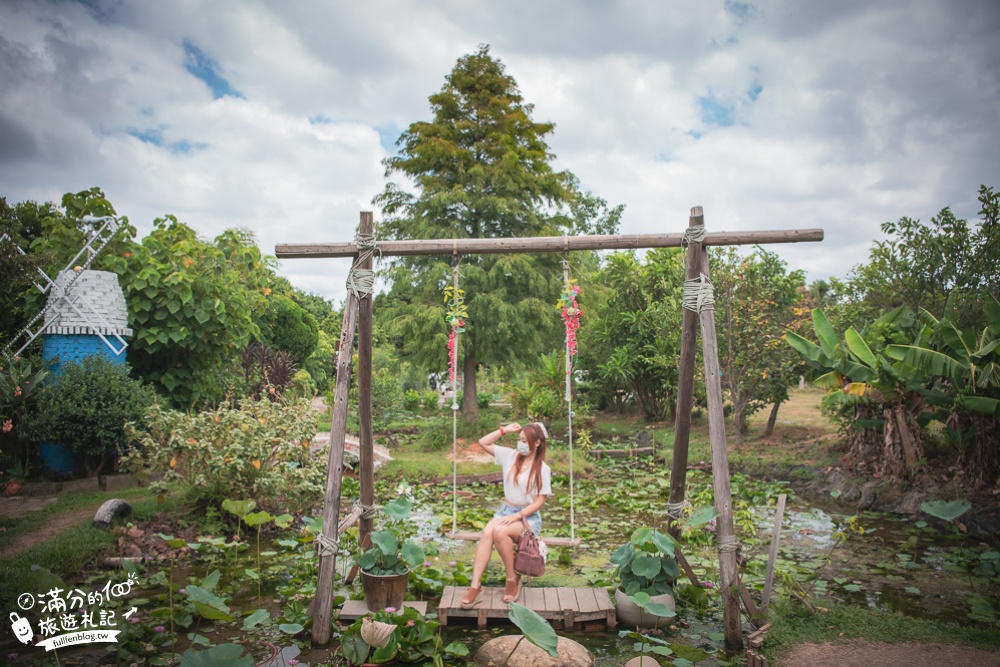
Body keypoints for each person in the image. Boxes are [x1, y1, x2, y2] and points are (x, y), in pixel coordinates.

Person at [460, 421, 552, 608]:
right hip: (505, 510)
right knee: (487, 533)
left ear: (536, 443)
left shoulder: (543, 469)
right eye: (519, 439)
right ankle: (475, 586)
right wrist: (504, 430)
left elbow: (540, 501)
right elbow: (483, 442)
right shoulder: (510, 456)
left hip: (527, 517)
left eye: (525, 440)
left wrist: (517, 517)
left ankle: (512, 579)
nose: (521, 443)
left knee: (499, 532)